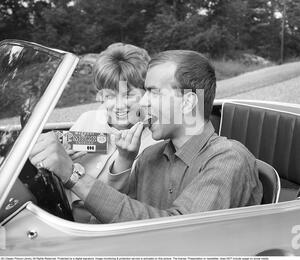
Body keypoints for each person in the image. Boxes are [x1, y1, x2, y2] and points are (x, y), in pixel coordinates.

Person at [30, 50, 263, 223]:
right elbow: (106, 222)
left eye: (152, 92)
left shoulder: (228, 159)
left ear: (188, 102)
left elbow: (176, 233)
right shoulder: (148, 156)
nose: (142, 103)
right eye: (109, 96)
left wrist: (72, 174)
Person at [39, 42, 158, 222]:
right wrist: (53, 150)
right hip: (61, 217)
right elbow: (52, 159)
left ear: (145, 93)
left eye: (128, 95)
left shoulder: (155, 143)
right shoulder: (89, 120)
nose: (118, 105)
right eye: (110, 96)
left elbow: (126, 210)